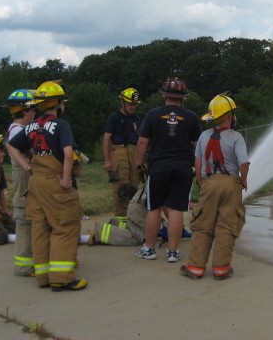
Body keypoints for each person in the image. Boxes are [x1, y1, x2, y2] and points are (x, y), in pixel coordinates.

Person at [7, 80, 87, 292]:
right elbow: (68, 154)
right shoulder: (61, 125)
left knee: (40, 228)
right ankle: (62, 278)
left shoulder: (31, 125)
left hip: (35, 182)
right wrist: (65, 180)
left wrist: (26, 166)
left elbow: (10, 145)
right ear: (58, 104)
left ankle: (43, 276)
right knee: (65, 226)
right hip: (54, 181)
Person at [180, 92, 249, 280]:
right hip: (231, 184)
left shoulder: (203, 136)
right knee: (227, 225)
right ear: (229, 116)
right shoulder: (237, 137)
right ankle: (221, 269)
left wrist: (202, 182)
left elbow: (198, 162)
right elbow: (243, 163)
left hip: (209, 183)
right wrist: (243, 180)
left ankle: (195, 268)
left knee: (203, 224)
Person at [134, 78, 202, 263]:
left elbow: (142, 142)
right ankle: (173, 252)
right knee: (176, 209)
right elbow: (198, 146)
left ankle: (149, 249)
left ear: (164, 95)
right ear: (183, 98)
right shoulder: (192, 117)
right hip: (183, 168)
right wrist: (197, 168)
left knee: (154, 208)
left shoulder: (152, 115)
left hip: (159, 167)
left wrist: (140, 164)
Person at [2, 88, 37, 276]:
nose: (34, 112)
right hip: (23, 176)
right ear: (24, 110)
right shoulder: (18, 130)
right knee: (24, 219)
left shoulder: (16, 128)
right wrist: (27, 165)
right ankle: (24, 266)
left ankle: (30, 261)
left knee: (29, 218)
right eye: (32, 108)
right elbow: (12, 147)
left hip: (24, 175)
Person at [103, 88, 141, 219]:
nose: (132, 107)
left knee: (133, 187)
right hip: (118, 154)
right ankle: (120, 221)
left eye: (134, 104)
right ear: (123, 102)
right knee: (120, 188)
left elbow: (140, 139)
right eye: (130, 104)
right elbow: (107, 138)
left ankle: (131, 218)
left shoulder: (135, 118)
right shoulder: (114, 117)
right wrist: (107, 161)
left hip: (133, 153)